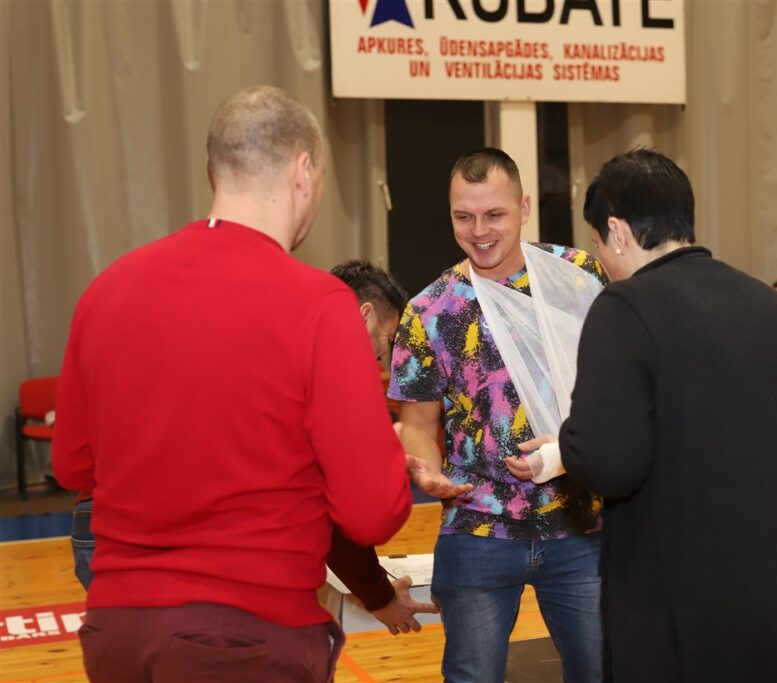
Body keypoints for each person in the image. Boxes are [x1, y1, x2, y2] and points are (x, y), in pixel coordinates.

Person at [51, 85, 411, 683]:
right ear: (303, 172)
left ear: (212, 170)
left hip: (119, 632)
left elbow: (73, 468)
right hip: (246, 634)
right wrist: (389, 452)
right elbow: (372, 513)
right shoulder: (320, 306)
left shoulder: (106, 290)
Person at [558, 150, 777, 682]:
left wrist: (567, 445)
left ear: (617, 231)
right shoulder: (771, 305)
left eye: (596, 242)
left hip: (709, 615)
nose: (601, 261)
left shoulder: (624, 308)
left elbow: (610, 462)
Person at [389, 148, 606, 683]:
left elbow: (618, 388)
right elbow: (418, 423)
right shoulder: (430, 310)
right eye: (464, 217)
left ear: (524, 208)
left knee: (604, 671)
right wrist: (425, 468)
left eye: (494, 215)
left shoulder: (578, 277)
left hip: (581, 522)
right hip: (477, 525)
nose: (479, 231)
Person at [324, 260, 438, 635]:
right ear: (365, 315)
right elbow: (347, 515)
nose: (381, 361)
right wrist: (380, 597)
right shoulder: (327, 387)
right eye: (386, 342)